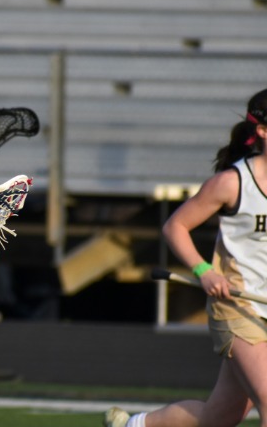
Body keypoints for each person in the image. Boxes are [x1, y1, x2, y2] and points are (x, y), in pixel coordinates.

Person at [104, 88, 267, 427]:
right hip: (238, 307)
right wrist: (204, 270)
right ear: (263, 131)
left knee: (219, 417)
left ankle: (135, 425)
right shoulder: (232, 183)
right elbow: (176, 226)